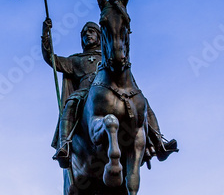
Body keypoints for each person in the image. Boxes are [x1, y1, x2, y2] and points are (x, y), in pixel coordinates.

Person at [42, 18, 177, 167]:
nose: (88, 35)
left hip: (113, 91)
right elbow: (51, 58)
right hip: (85, 92)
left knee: (142, 101)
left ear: (99, 36)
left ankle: (159, 142)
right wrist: (45, 33)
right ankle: (64, 146)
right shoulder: (75, 60)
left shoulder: (108, 56)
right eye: (84, 33)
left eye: (91, 31)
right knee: (71, 103)